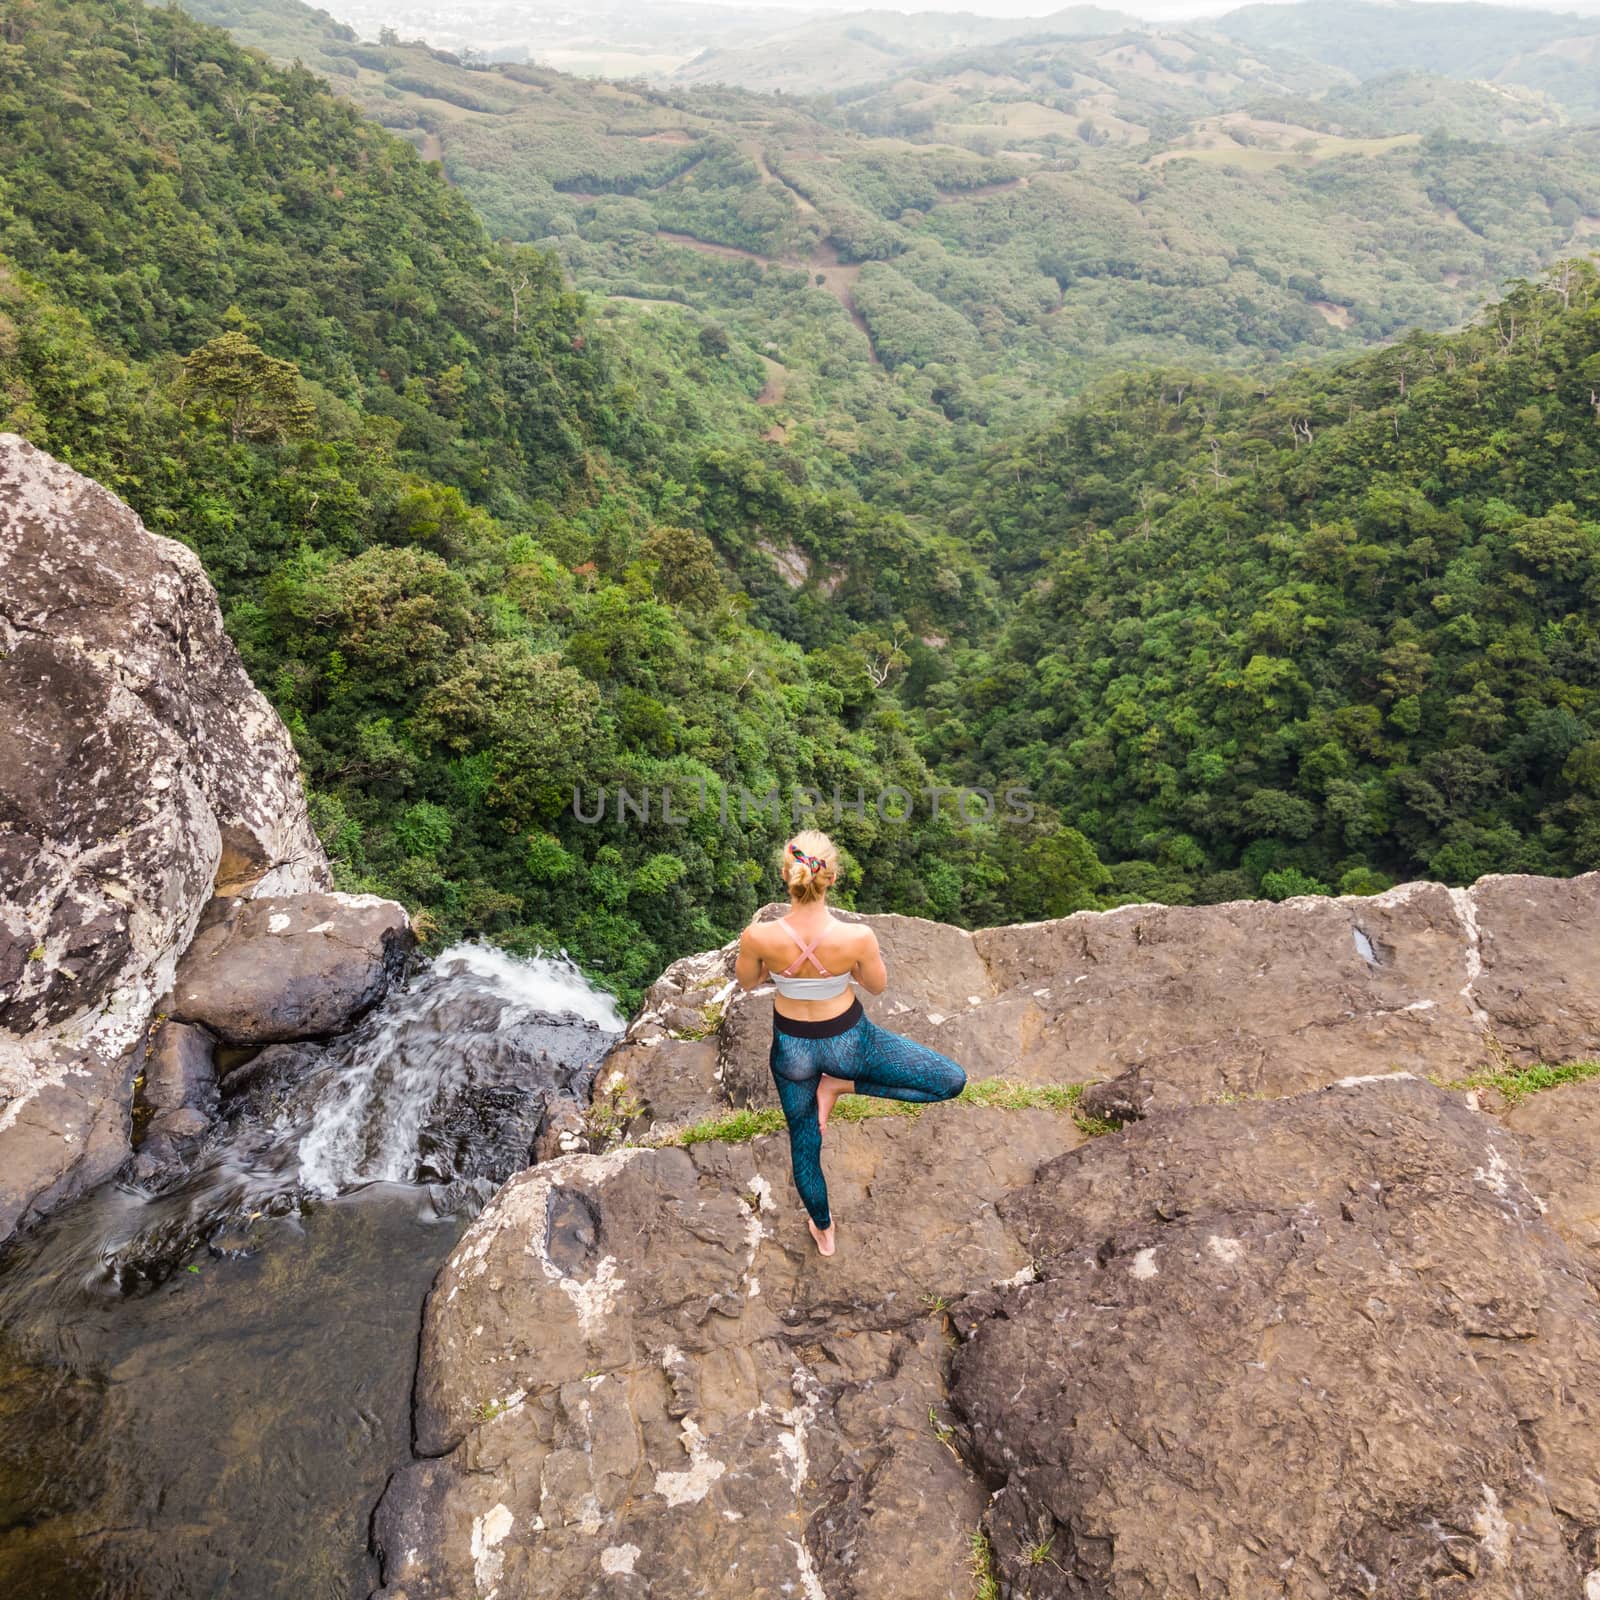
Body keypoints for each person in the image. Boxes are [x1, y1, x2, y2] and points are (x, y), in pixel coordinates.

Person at [734, 830, 967, 1257]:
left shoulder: (758, 937)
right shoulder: (857, 938)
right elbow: (876, 986)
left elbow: (747, 982)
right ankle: (842, 1084)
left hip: (792, 1052)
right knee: (951, 1081)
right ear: (832, 879)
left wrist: (783, 974)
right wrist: (841, 973)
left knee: (805, 1144)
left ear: (787, 877)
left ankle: (824, 1231)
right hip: (849, 1042)